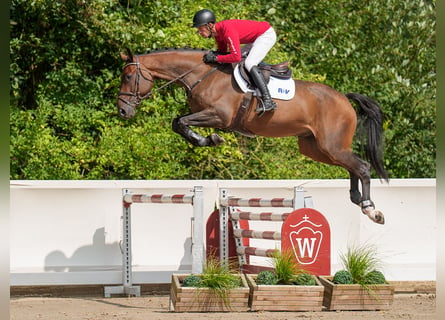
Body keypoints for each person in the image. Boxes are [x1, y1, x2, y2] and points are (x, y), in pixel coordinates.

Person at [192, 9, 277, 113]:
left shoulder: (227, 30)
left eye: (200, 28)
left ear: (210, 25)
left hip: (265, 35)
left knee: (249, 63)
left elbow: (235, 57)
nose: (199, 32)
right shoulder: (218, 34)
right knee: (238, 62)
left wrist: (216, 58)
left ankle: (268, 100)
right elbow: (222, 53)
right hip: (254, 39)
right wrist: (214, 56)